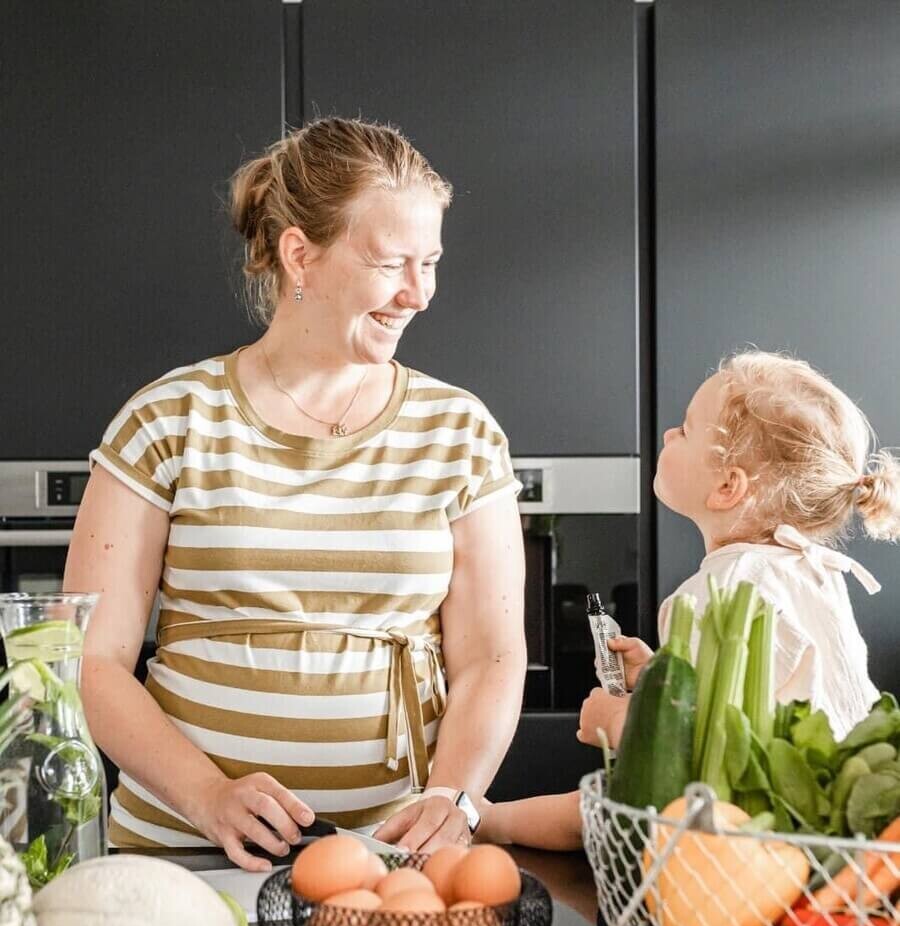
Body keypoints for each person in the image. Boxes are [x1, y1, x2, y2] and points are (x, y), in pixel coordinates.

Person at [65, 118, 526, 871]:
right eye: (390, 264)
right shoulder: (169, 418)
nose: (419, 293)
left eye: (431, 262)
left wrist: (455, 798)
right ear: (299, 254)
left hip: (392, 864)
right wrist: (210, 796)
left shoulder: (461, 432)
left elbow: (492, 657)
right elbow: (93, 660)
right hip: (183, 852)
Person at [477, 350, 900, 850]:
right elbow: (750, 703)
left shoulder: (719, 590)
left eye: (685, 428)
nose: (667, 436)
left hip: (751, 853)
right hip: (838, 846)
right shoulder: (809, 573)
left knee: (600, 809)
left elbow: (696, 767)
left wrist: (622, 723)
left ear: (727, 486)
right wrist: (661, 678)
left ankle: (484, 820)